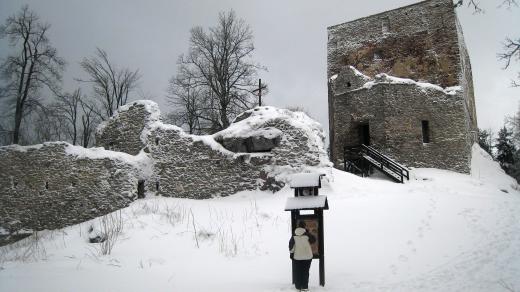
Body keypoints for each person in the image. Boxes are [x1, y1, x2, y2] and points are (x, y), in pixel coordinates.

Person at [289, 221, 316, 291]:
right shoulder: (307, 234)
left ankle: (298, 287)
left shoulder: (294, 235)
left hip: (297, 257)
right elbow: (313, 240)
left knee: (298, 271)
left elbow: (291, 246)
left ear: (298, 226)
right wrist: (308, 232)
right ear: (304, 226)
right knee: (305, 271)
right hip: (307, 256)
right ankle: (304, 287)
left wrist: (291, 254)